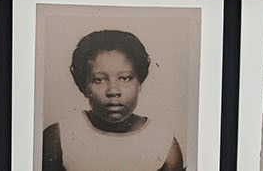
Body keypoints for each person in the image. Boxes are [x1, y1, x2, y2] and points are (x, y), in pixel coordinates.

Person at [40, 30, 184, 171]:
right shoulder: (59, 138)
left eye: (125, 78)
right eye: (99, 80)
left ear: (140, 83)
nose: (113, 91)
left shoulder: (164, 144)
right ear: (83, 86)